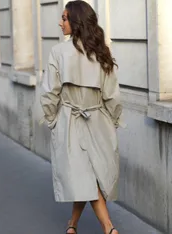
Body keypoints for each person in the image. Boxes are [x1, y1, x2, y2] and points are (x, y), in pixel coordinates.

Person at [40, 1, 123, 233]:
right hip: (98, 121)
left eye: (64, 18)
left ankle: (104, 228)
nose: (60, 22)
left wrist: (53, 120)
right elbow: (112, 95)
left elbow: (49, 93)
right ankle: (80, 226)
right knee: (87, 177)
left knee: (86, 177)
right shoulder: (102, 52)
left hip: (70, 122)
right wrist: (112, 121)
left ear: (75, 21)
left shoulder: (58, 52)